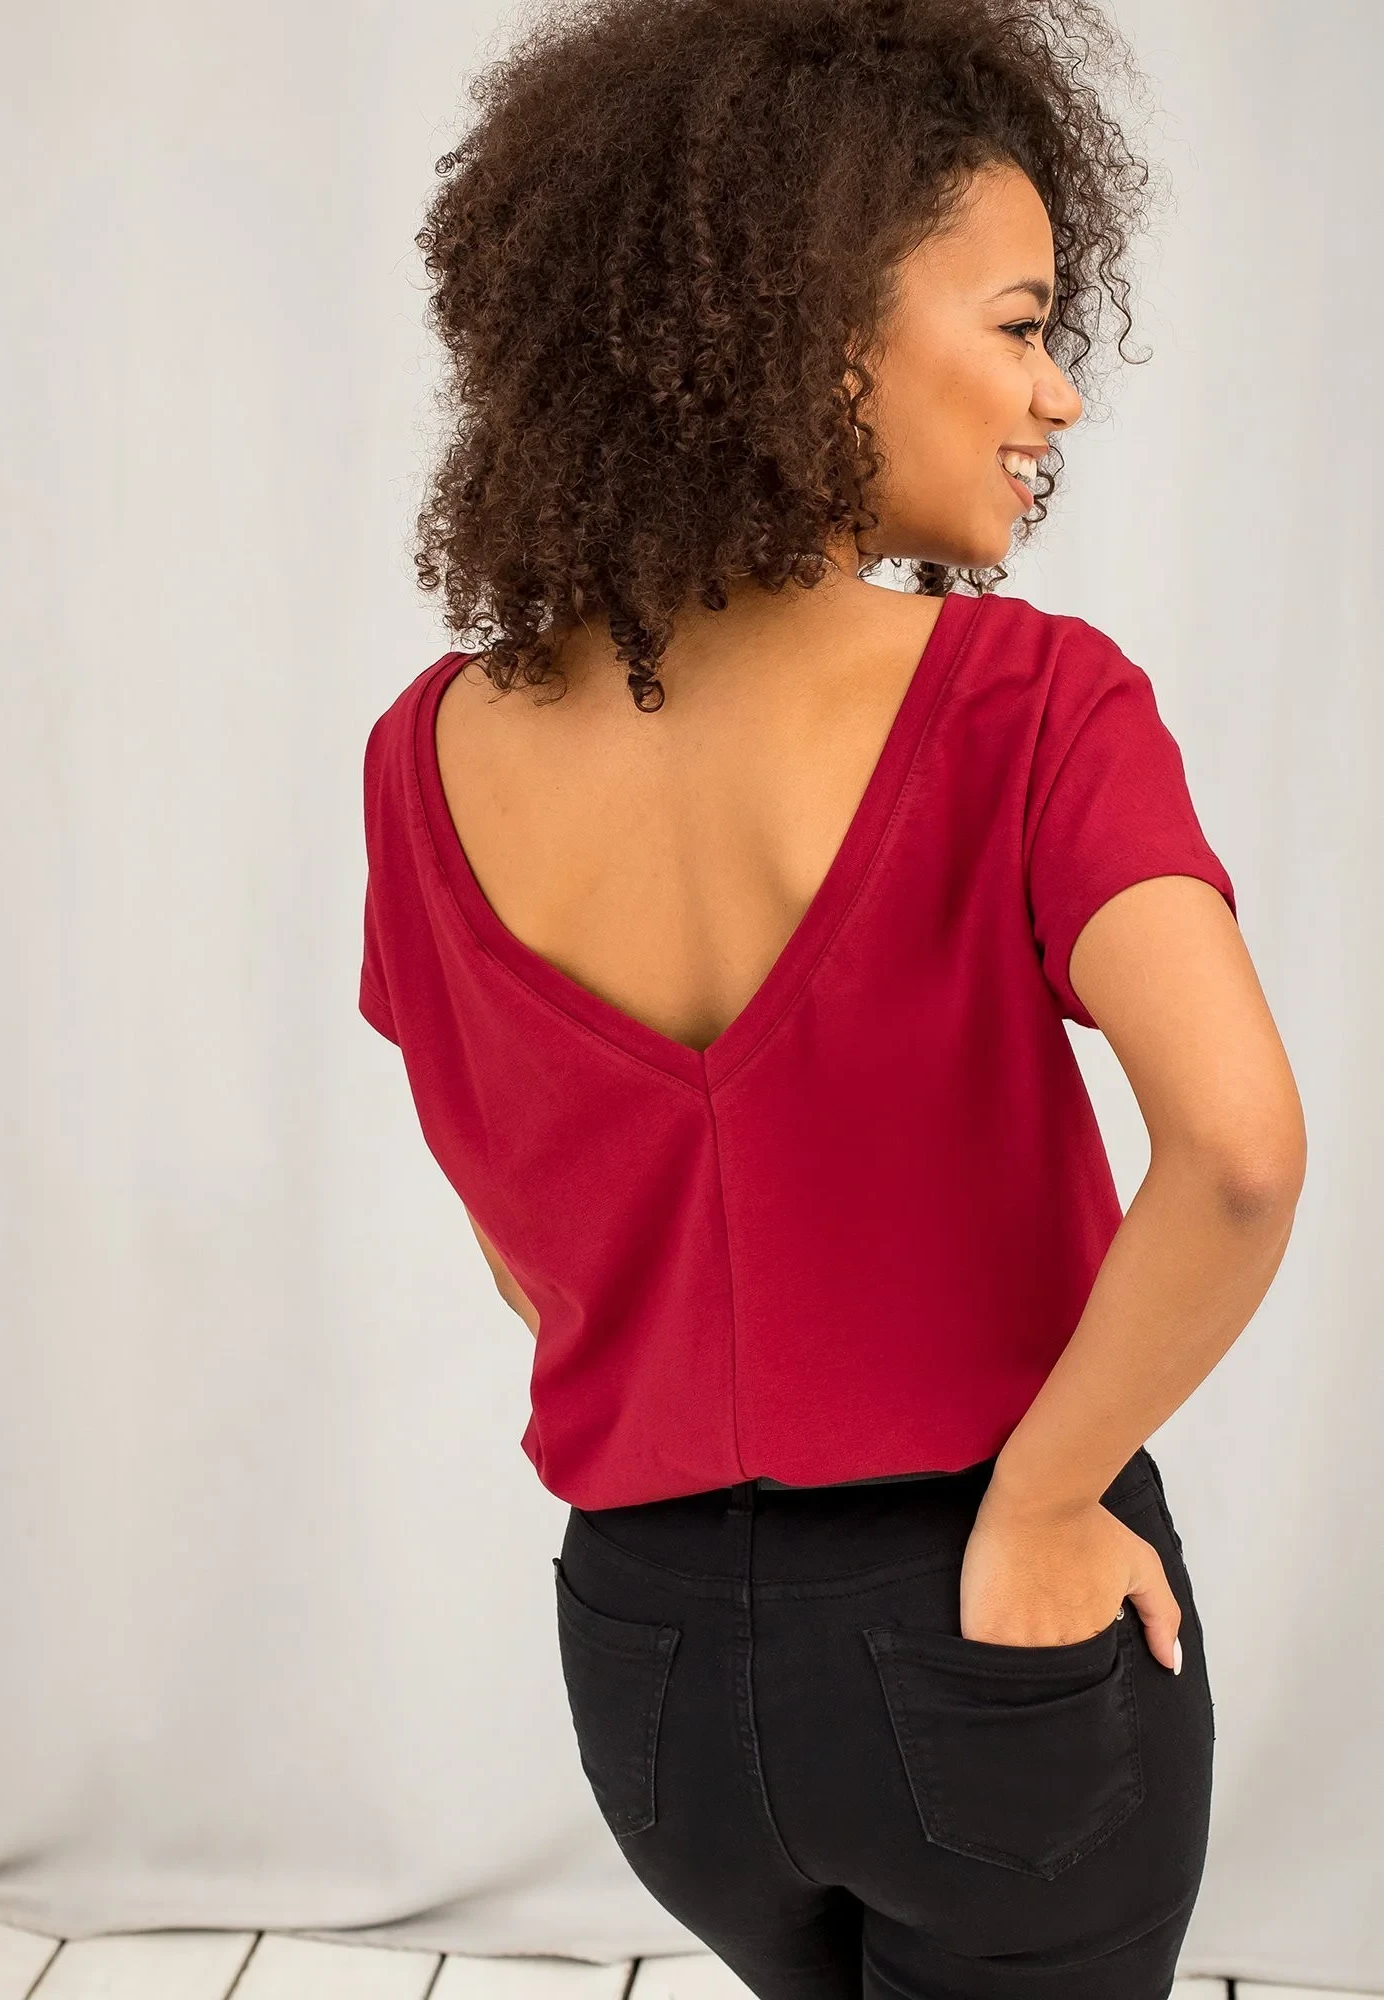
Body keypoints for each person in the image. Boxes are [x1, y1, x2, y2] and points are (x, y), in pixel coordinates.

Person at [359, 0, 1307, 1992]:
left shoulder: (426, 753)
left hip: (652, 1667)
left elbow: (518, 1230)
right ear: (821, 331)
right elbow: (1235, 1151)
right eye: (1022, 324)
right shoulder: (1030, 704)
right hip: (986, 1636)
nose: (1059, 394)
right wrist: (1044, 1500)